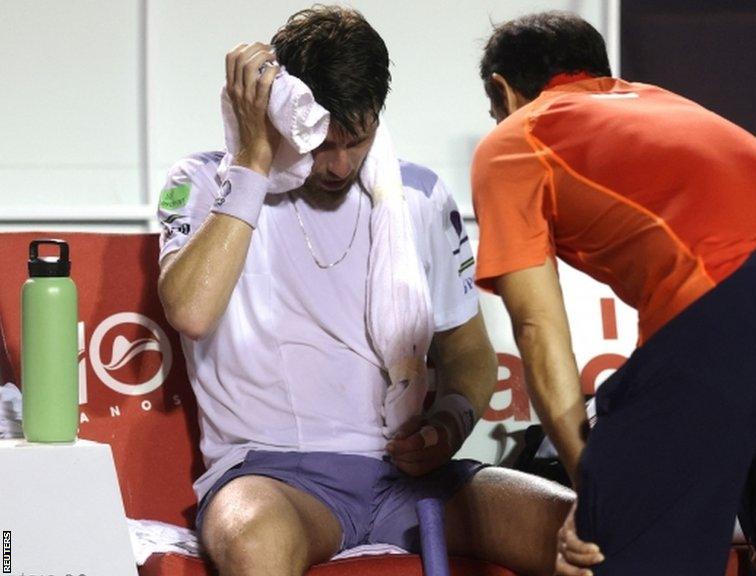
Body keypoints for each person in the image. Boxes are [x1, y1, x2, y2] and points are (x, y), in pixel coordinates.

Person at [156, 6, 570, 575]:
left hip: (408, 478)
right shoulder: (204, 181)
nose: (339, 163)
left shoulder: (418, 193)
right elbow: (191, 310)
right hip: (272, 478)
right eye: (322, 141)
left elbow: (468, 355)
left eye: (358, 138)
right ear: (286, 109)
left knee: (585, 529)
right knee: (255, 538)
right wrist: (252, 159)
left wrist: (446, 424)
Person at [472, 11, 756, 575]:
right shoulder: (667, 104)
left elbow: (537, 328)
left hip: (740, 304)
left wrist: (597, 490)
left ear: (503, 90)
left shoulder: (515, 138)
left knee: (621, 553)